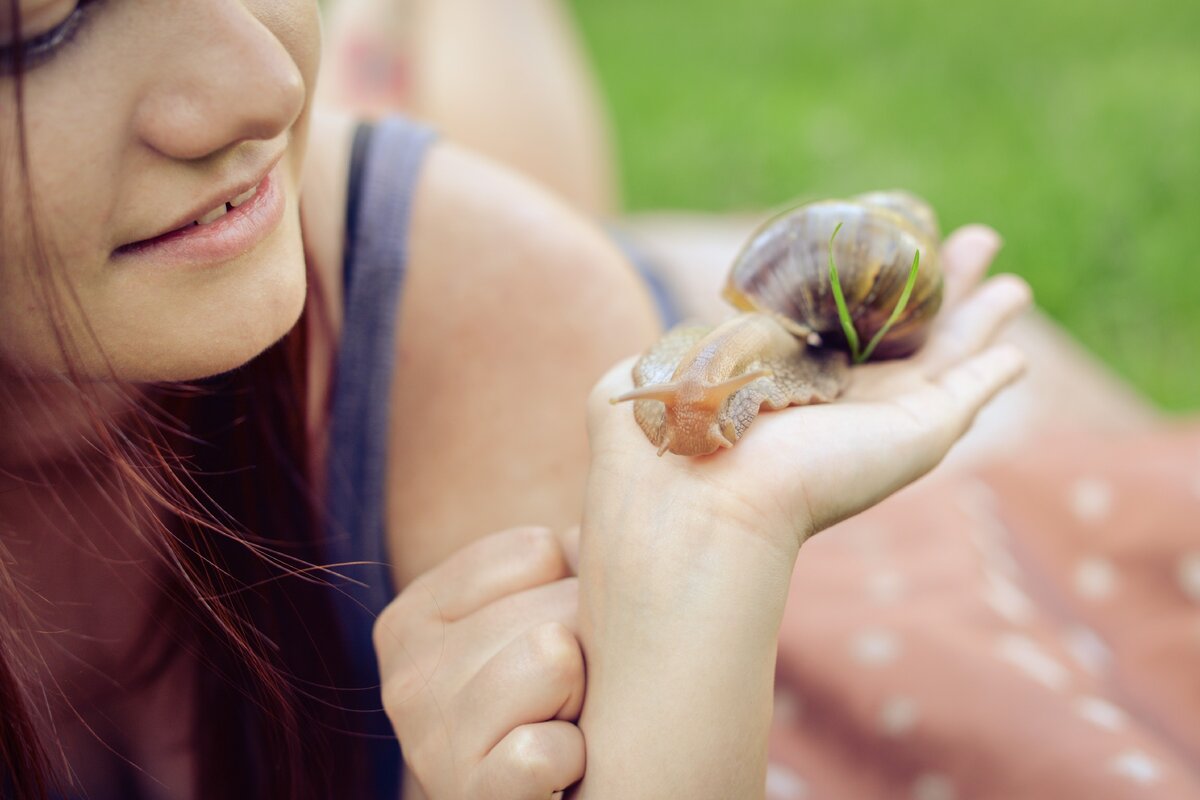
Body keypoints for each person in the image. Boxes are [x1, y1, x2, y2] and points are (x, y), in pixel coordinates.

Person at [0, 2, 1029, 799]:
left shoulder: (488, 294)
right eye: (44, 26)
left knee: (545, 227)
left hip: (525, 298)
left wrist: (705, 553)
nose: (265, 86)